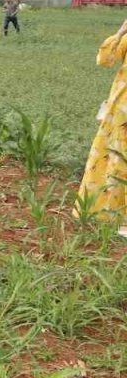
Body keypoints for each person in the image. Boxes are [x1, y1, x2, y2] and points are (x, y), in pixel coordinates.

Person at [78, 18, 127, 234]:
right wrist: (121, 31)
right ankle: (117, 216)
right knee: (118, 158)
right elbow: (105, 59)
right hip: (122, 108)